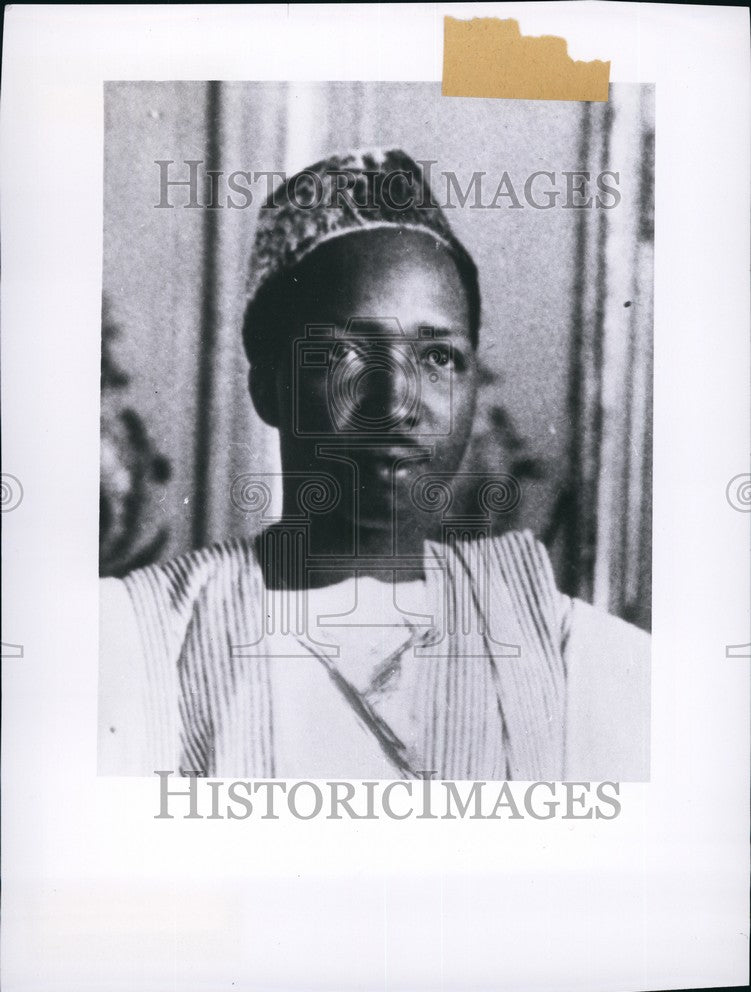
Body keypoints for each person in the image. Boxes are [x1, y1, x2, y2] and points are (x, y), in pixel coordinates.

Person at [99, 150, 649, 780]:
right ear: (270, 388)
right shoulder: (137, 643)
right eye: (344, 355)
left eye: (438, 357)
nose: (396, 403)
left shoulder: (578, 661)